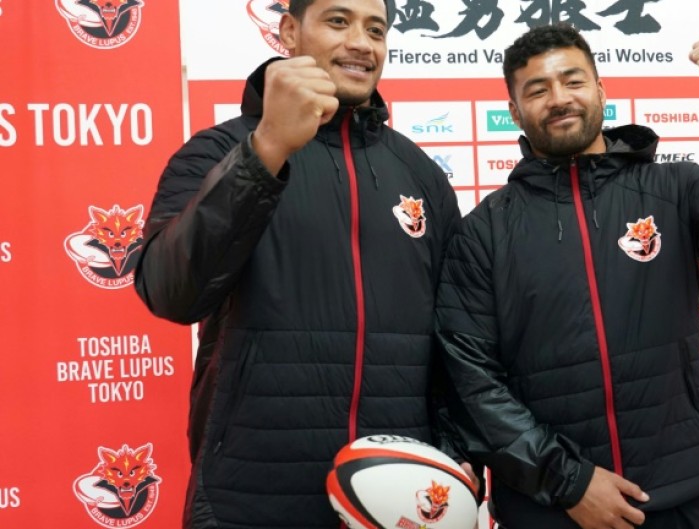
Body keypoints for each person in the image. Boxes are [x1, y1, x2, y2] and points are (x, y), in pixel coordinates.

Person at [435, 24, 699, 529]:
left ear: (600, 89)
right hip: (549, 508)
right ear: (514, 111)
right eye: (537, 89)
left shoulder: (673, 190)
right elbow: (471, 381)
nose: (558, 99)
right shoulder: (483, 232)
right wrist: (568, 480)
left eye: (572, 81)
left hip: (673, 497)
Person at [134, 1, 471, 527]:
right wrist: (265, 151)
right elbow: (168, 290)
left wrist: (452, 462)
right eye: (338, 21)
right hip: (251, 497)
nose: (361, 41)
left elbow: (456, 337)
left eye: (375, 29)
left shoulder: (419, 172)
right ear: (289, 31)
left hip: (397, 502)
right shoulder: (218, 150)